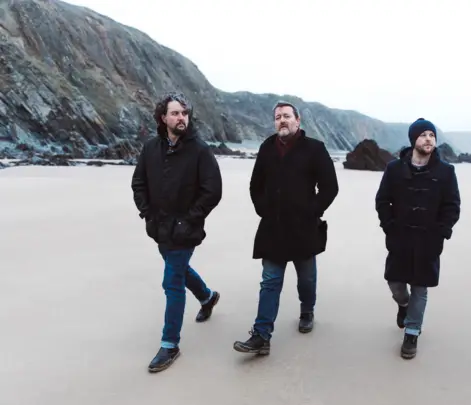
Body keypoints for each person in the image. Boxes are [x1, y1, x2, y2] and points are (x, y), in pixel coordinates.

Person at [233, 100, 339, 355]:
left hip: (304, 228)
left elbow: (330, 187)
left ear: (298, 120)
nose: (282, 120)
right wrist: (263, 209)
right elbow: (255, 186)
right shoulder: (267, 148)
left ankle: (307, 310)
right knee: (270, 281)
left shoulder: (315, 149)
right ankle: (261, 335)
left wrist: (312, 210)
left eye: (287, 116)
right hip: (273, 228)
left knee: (307, 279)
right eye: (278, 116)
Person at [131, 92, 223, 372]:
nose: (181, 117)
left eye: (184, 113)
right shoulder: (150, 148)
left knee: (171, 281)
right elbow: (138, 183)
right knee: (178, 270)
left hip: (186, 230)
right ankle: (207, 297)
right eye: (175, 113)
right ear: (164, 118)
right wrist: (147, 212)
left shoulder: (200, 150)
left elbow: (212, 191)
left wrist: (189, 220)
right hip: (159, 227)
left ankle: (170, 344)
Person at [375, 118, 461, 359]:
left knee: (420, 288)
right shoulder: (394, 168)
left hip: (428, 241)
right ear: (414, 139)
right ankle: (403, 305)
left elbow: (452, 205)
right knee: (395, 283)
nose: (428, 139)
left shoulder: (446, 171)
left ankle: (412, 333)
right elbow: (382, 200)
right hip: (399, 237)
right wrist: (389, 226)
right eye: (423, 135)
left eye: (432, 135)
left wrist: (442, 231)